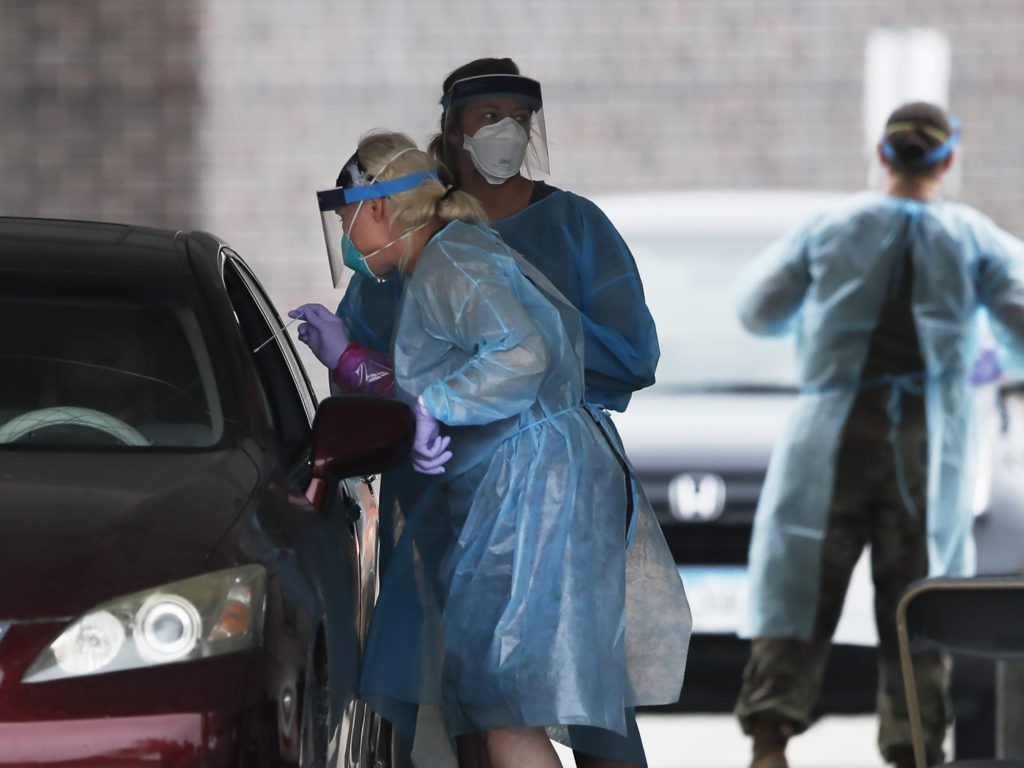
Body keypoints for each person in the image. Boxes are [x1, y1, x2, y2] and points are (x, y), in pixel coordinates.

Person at [293, 131, 689, 768]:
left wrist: (433, 409)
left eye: (346, 215)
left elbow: (520, 354)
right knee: (496, 698)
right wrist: (348, 357)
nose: (344, 233)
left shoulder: (453, 261)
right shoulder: (443, 263)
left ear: (378, 209)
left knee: (502, 703)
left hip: (536, 491)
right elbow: (436, 373)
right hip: (524, 487)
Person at [731, 101, 1024, 768]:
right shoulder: (973, 239)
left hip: (828, 436)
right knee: (919, 597)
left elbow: (758, 309)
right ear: (948, 159)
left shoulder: (831, 228)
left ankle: (770, 741)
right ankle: (915, 745)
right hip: (926, 446)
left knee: (799, 584)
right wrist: (980, 352)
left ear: (882, 155)